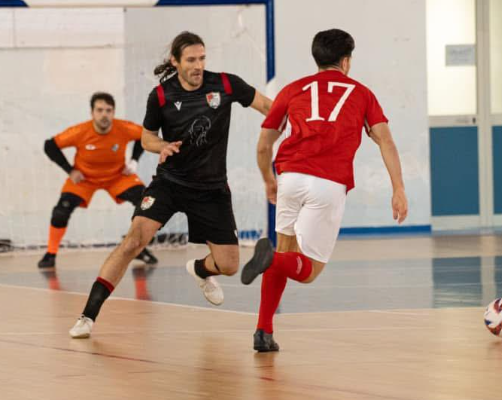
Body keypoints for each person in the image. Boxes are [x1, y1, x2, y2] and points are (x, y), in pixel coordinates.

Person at [69, 31, 272, 338]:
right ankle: (87, 316)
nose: (198, 65)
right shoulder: (161, 96)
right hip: (170, 183)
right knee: (133, 241)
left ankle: (200, 270)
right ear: (175, 61)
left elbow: (268, 106)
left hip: (211, 189)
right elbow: (146, 138)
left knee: (230, 265)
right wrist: (162, 146)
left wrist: (301, 123)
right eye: (191, 60)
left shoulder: (226, 84)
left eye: (202, 58)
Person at [240, 29, 409, 352]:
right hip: (328, 183)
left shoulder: (292, 90)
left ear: (316, 58)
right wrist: (398, 188)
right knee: (307, 271)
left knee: (285, 252)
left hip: (290, 178)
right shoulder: (362, 94)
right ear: (345, 62)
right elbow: (385, 140)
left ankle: (263, 331)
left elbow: (263, 145)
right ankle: (271, 261)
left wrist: (268, 179)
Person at [38, 92, 157, 269]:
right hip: (85, 179)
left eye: (108, 110)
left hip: (117, 177)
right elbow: (50, 145)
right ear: (92, 112)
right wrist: (70, 170)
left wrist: (134, 161)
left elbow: (145, 136)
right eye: (99, 110)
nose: (104, 115)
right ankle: (50, 254)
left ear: (113, 112)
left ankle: (138, 247)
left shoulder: (123, 127)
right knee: (60, 212)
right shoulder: (80, 131)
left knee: (148, 203)